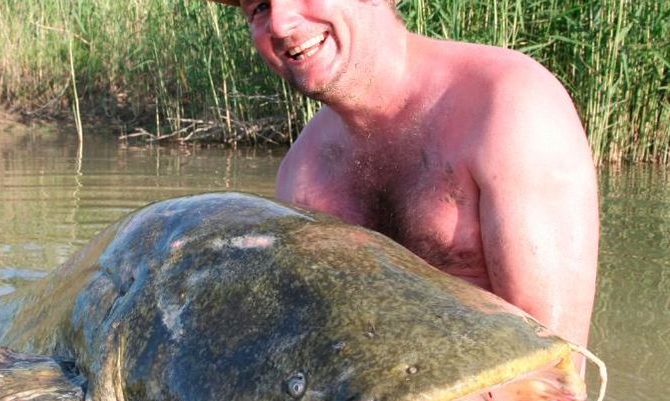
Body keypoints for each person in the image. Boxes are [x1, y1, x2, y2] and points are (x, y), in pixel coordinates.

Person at [211, 0, 599, 349]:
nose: (279, 22)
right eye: (259, 7)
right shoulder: (301, 175)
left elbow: (553, 370)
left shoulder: (508, 104)